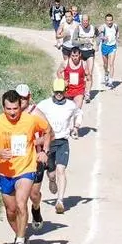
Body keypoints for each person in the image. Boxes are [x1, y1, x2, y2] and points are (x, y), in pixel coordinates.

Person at [0, 89, 50, 244]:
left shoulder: (30, 120)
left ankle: (19, 243)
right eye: (8, 109)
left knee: (20, 203)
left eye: (15, 109)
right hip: (5, 173)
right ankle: (21, 235)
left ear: (21, 106)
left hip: (26, 169)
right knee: (11, 211)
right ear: (3, 108)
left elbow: (48, 130)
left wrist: (44, 151)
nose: (12, 113)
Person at [35, 79, 77, 214]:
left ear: (65, 91)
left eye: (61, 92)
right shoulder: (44, 104)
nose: (59, 94)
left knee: (61, 170)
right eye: (56, 92)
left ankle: (60, 201)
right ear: (53, 91)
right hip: (49, 143)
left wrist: (75, 127)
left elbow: (78, 114)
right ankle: (52, 180)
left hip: (62, 142)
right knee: (52, 173)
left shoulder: (71, 105)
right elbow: (33, 114)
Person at [16, 84, 48, 230]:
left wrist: (36, 144)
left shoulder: (36, 114)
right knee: (19, 197)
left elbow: (50, 134)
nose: (21, 100)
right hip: (18, 159)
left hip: (35, 159)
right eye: (18, 98)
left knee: (33, 195)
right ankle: (21, 230)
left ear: (29, 97)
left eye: (24, 98)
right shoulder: (11, 113)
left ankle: (36, 208)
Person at [63, 47, 89, 137]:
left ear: (80, 55)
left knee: (77, 111)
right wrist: (63, 81)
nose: (74, 58)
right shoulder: (65, 63)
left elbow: (88, 77)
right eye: (73, 56)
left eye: (76, 56)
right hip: (68, 90)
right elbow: (58, 72)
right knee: (67, 111)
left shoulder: (84, 64)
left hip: (79, 90)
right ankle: (65, 129)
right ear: (70, 55)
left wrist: (87, 90)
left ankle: (75, 129)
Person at [99, 13, 120, 88]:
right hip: (105, 47)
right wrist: (103, 37)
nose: (109, 22)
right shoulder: (103, 27)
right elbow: (100, 36)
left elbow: (117, 32)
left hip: (112, 47)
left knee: (111, 64)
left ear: (112, 20)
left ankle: (110, 81)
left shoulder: (115, 26)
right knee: (105, 64)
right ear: (105, 21)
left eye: (111, 20)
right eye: (108, 20)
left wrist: (117, 38)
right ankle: (106, 73)